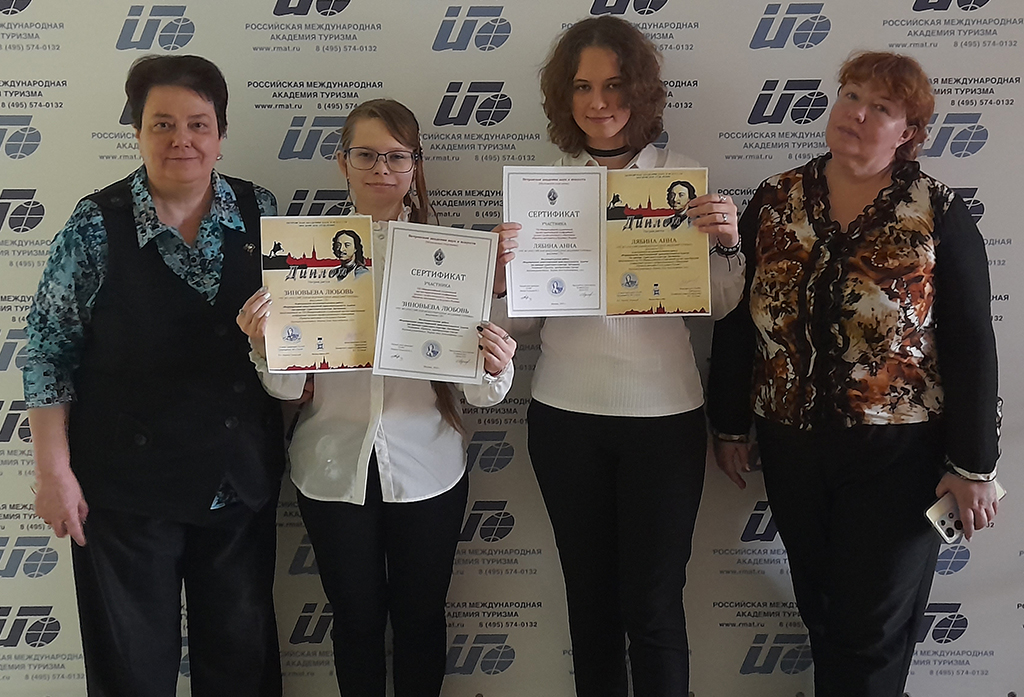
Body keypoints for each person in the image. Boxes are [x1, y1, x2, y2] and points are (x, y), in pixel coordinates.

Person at [708, 51, 1001, 697]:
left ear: (909, 132)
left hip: (900, 453)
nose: (857, 113)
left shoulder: (936, 210)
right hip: (791, 445)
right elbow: (737, 317)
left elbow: (971, 342)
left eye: (881, 107)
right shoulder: (776, 199)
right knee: (822, 613)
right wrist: (728, 423)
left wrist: (973, 464)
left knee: (871, 631)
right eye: (851, 95)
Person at [491, 16, 744, 697]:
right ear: (563, 96)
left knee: (654, 605)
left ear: (640, 89)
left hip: (665, 419)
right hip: (566, 418)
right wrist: (503, 278)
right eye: (582, 86)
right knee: (590, 604)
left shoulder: (683, 178)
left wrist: (726, 244)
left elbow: (720, 305)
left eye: (613, 84)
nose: (598, 102)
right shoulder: (543, 188)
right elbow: (521, 326)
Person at [237, 98, 517, 697]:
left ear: (415, 166)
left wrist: (496, 365)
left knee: (421, 620)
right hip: (331, 465)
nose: (381, 169)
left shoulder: (454, 257)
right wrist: (265, 346)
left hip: (428, 465)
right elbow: (287, 388)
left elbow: (480, 392)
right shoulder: (303, 256)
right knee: (356, 622)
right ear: (342, 162)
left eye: (396, 156)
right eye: (366, 155)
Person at [24, 55, 284, 696]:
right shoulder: (93, 225)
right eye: (161, 123)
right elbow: (48, 354)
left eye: (198, 124)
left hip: (236, 484)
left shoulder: (262, 210)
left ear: (221, 133)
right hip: (125, 492)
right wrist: (53, 472)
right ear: (137, 131)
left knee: (242, 668)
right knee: (132, 673)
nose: (181, 140)